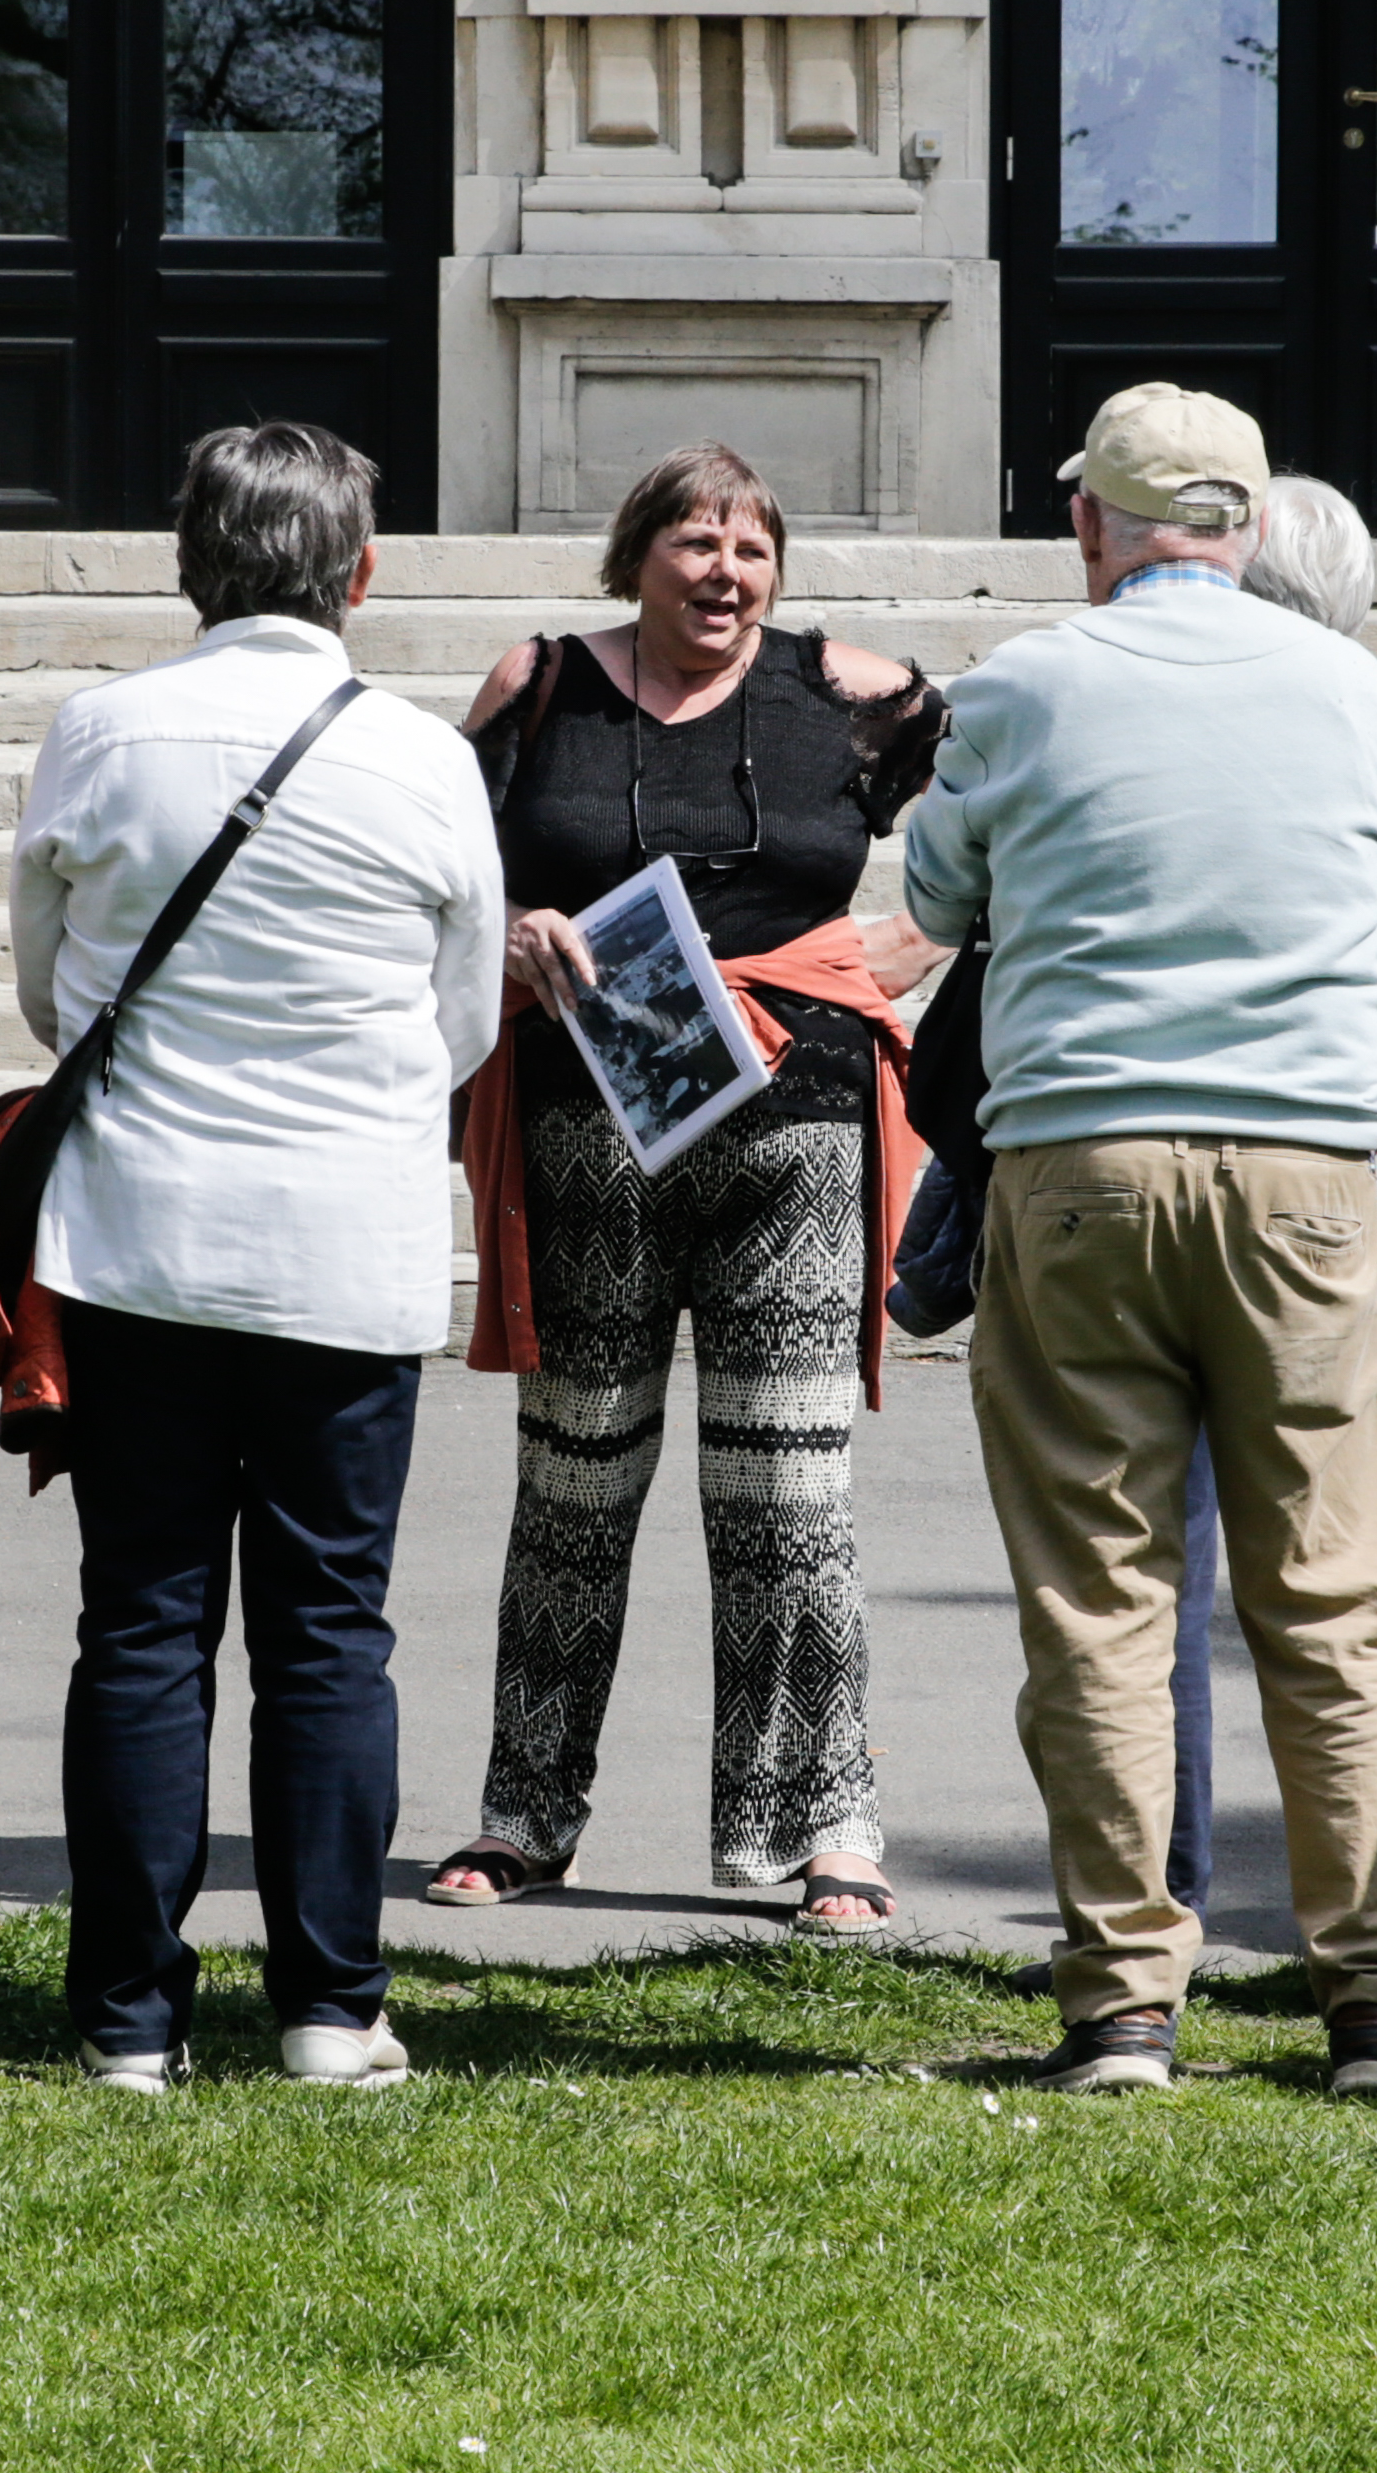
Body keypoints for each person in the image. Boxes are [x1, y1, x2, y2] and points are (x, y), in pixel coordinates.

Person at [905, 383, 1377, 2103]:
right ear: (1242, 525)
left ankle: (1122, 2003)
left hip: (1076, 1158)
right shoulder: (1352, 687)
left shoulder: (1021, 684)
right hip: (1304, 1169)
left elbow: (934, 900)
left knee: (1099, 1603)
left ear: (1098, 524)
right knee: (1328, 1605)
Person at [12, 423, 505, 2090]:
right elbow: (464, 1020)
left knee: (141, 1623)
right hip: (344, 1247)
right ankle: (326, 2004)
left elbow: (45, 984)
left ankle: (128, 2023)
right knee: (326, 1628)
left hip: (138, 1233)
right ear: (357, 573)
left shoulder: (98, 731)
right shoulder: (424, 756)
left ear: (187, 564)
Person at [423, 444, 944, 1938]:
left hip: (799, 1125)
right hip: (591, 1118)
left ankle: (821, 1826)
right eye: (692, 544)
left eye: (750, 550)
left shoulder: (850, 692)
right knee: (575, 1474)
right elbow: (441, 865)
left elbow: (993, 830)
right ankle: (525, 1813)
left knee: (791, 1488)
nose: (722, 573)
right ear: (632, 553)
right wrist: (511, 924)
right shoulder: (538, 683)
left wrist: (883, 962)